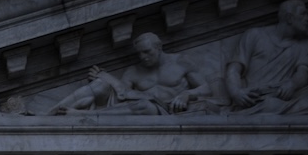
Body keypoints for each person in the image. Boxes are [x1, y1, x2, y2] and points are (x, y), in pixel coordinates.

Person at [48, 33, 210, 115]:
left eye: (147, 51)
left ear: (159, 47)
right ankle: (49, 115)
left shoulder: (181, 62)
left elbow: (206, 88)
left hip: (164, 110)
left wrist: (187, 94)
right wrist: (105, 78)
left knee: (146, 107)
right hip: (134, 105)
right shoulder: (133, 71)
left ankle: (84, 115)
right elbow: (123, 95)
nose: (143, 57)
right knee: (100, 85)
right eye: (139, 53)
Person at [225, 0, 308, 115]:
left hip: (282, 99)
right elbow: (234, 69)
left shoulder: (304, 44)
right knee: (270, 104)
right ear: (289, 18)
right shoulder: (254, 35)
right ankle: (255, 111)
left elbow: (303, 72)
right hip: (256, 98)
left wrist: (292, 84)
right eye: (303, 14)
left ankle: (259, 112)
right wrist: (236, 92)